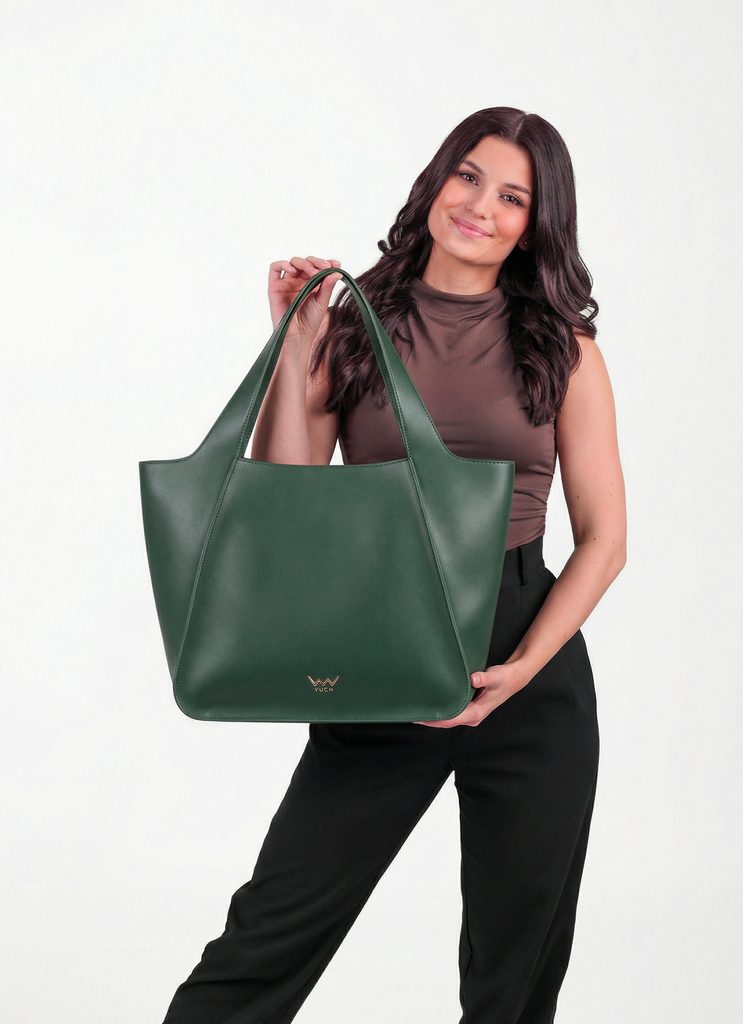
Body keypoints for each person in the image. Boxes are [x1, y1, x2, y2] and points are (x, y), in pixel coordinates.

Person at [161, 105, 627, 1024]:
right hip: (378, 656)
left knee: (516, 971)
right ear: (436, 180)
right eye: (469, 177)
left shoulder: (563, 348)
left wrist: (520, 670)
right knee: (270, 933)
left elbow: (605, 537)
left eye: (512, 197)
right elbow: (291, 497)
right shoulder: (352, 325)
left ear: (535, 224)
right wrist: (297, 347)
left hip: (527, 659)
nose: (480, 207)